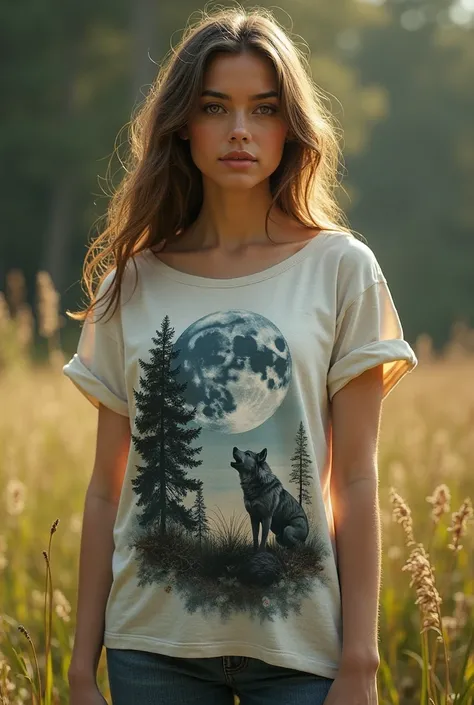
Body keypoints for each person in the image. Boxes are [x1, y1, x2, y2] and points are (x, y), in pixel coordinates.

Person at [63, 7, 417, 705]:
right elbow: (106, 488)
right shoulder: (130, 283)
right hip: (151, 648)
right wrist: (80, 667)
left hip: (302, 653)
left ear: (291, 128)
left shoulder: (343, 269)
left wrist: (361, 662)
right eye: (214, 107)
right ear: (181, 125)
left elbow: (356, 479)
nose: (239, 131)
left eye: (264, 109)